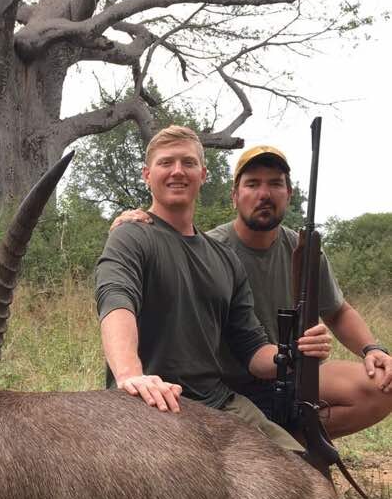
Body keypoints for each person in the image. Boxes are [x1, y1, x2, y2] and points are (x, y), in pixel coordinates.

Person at [111, 143, 392, 440]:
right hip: (225, 384)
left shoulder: (303, 251)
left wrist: (372, 350)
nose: (264, 194)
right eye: (252, 184)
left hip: (281, 370)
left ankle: (298, 444)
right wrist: (134, 226)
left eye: (275, 184)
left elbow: (338, 310)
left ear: (289, 194)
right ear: (235, 196)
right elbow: (131, 286)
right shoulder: (214, 249)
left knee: (383, 385)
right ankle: (275, 453)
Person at [95, 125, 331, 452]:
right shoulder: (131, 236)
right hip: (152, 401)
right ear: (147, 174)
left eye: (188, 163)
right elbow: (116, 301)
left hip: (218, 402)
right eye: (166, 163)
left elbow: (252, 350)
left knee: (301, 475)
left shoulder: (225, 258)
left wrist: (293, 352)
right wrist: (131, 375)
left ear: (203, 174)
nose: (178, 171)